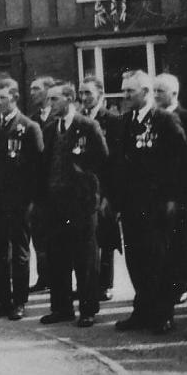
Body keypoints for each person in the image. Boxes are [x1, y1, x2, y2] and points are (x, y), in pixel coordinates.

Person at [113, 70, 187, 335]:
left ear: (145, 92)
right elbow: (117, 166)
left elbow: (180, 163)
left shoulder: (165, 121)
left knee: (160, 260)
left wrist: (173, 198)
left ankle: (163, 314)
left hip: (157, 206)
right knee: (137, 261)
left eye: (129, 91)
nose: (125, 95)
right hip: (131, 207)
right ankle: (142, 311)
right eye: (123, 91)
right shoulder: (123, 123)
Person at [38, 82, 109, 328]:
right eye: (49, 100)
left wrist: (98, 196)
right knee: (57, 257)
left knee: (85, 259)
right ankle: (62, 307)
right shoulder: (49, 129)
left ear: (69, 99)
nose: (50, 104)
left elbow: (103, 161)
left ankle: (88, 309)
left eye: (54, 99)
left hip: (81, 204)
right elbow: (44, 167)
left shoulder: (88, 126)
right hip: (55, 205)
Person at [0, 79, 44, 321]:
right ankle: (2, 299)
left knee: (19, 252)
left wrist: (32, 202)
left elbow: (37, 170)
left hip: (19, 202)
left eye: (3, 98)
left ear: (15, 98)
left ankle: (19, 301)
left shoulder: (28, 127)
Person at [78, 76, 123, 303]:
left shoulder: (113, 121)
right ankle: (88, 284)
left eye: (89, 93)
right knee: (86, 241)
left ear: (101, 95)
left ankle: (105, 284)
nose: (84, 98)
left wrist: (111, 196)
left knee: (105, 240)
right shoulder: (78, 120)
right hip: (84, 192)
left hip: (104, 190)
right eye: (81, 93)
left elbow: (116, 163)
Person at [153, 72, 187, 305]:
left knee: (179, 238)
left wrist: (179, 192)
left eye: (160, 91)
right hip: (155, 190)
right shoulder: (152, 118)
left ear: (174, 94)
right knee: (160, 240)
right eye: (154, 90)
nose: (156, 95)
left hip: (177, 189)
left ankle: (181, 285)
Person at [28, 75, 56, 293]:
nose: (32, 93)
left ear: (49, 90)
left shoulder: (60, 116)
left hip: (58, 187)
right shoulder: (31, 119)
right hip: (38, 188)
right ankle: (44, 277)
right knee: (39, 236)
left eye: (36, 89)